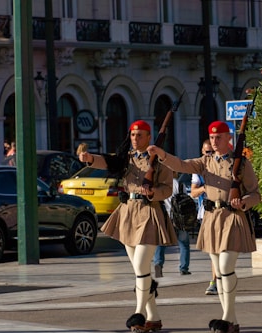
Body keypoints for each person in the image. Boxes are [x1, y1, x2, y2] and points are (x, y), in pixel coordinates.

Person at [147, 121, 261, 333]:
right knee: (219, 270)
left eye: (219, 137)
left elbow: (256, 194)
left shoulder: (242, 164)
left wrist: (245, 202)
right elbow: (181, 164)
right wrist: (162, 154)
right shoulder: (205, 162)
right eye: (212, 137)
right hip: (211, 218)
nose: (215, 141)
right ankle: (232, 320)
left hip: (233, 218)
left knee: (226, 267)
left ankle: (227, 316)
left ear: (229, 138)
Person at [78, 120, 177, 332]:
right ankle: (154, 318)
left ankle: (138, 315)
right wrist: (89, 159)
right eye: (132, 135)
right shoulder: (126, 157)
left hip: (149, 212)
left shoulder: (160, 159)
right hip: (128, 212)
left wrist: (153, 193)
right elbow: (107, 162)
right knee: (139, 271)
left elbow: (167, 189)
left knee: (141, 266)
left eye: (140, 135)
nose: (135, 138)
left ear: (149, 137)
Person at [190, 139, 218, 295]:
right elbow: (193, 193)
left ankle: (218, 279)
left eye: (212, 152)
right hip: (205, 214)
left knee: (221, 250)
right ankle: (216, 280)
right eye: (207, 152)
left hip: (223, 212)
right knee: (213, 250)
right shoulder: (198, 170)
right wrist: (204, 188)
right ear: (202, 152)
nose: (210, 154)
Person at [153, 172, 191, 277]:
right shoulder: (179, 185)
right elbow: (185, 200)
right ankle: (184, 268)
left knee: (161, 243)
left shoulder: (161, 185)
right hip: (179, 219)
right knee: (184, 245)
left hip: (165, 218)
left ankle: (158, 264)